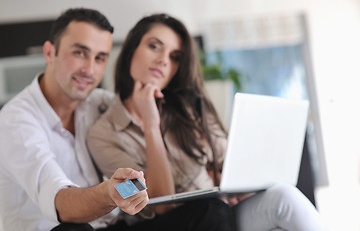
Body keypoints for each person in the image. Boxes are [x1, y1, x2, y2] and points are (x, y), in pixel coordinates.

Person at [87, 13, 328, 231]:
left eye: (174, 57)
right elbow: (159, 205)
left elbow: (230, 162)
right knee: (213, 212)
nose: (163, 60)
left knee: (284, 197)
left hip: (225, 211)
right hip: (181, 224)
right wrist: (152, 125)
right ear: (131, 50)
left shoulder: (189, 107)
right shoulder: (103, 134)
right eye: (154, 47)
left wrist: (239, 188)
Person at [0, 8, 149, 231]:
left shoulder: (97, 103)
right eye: (80, 53)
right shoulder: (16, 120)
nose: (89, 70)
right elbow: (61, 202)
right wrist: (111, 192)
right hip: (61, 228)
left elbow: (145, 109)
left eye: (100, 58)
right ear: (50, 53)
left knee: (208, 212)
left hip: (109, 225)